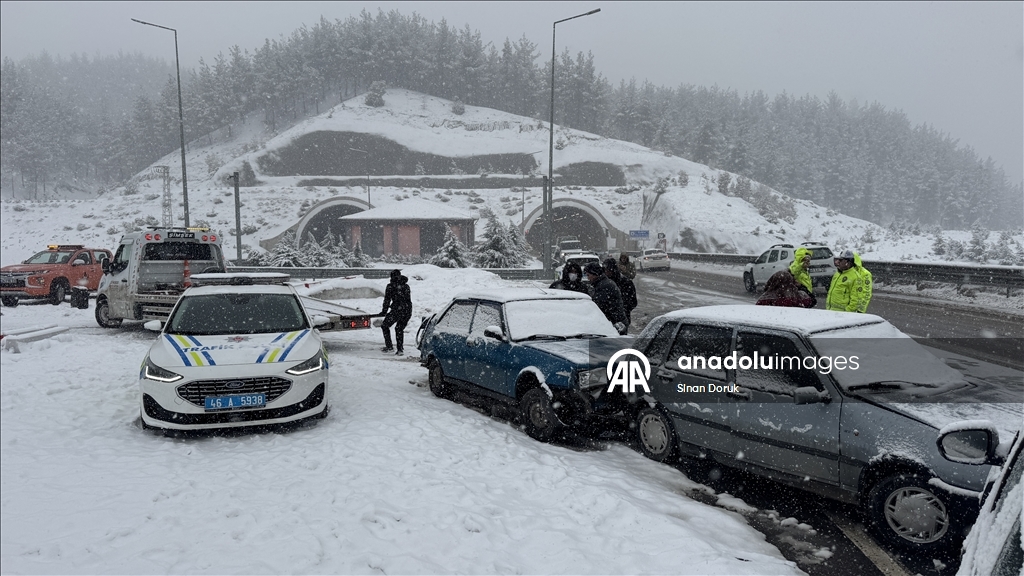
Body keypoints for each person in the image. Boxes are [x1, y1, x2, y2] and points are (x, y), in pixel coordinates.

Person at [584, 262, 627, 335]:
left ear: (595, 274)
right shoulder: (601, 283)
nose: (588, 278)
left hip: (615, 323)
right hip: (616, 321)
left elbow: (598, 306)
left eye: (588, 275)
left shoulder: (604, 286)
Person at [379, 269, 412, 354]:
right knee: (399, 328)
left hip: (397, 310)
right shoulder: (406, 286)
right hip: (407, 310)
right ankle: (400, 349)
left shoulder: (390, 286)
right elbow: (407, 300)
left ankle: (389, 347)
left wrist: (384, 311)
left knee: (385, 326)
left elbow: (387, 300)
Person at [604, 257, 637, 330]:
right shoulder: (603, 283)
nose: (606, 272)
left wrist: (623, 310)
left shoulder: (626, 283)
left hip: (622, 320)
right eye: (605, 270)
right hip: (606, 321)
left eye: (608, 270)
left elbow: (633, 302)